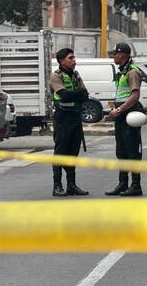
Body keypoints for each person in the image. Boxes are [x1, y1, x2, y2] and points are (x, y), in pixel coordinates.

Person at [48, 48, 90, 197]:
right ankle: (57, 186)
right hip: (62, 118)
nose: (74, 60)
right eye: (70, 58)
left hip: (75, 117)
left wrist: (76, 95)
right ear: (61, 61)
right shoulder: (55, 76)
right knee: (60, 152)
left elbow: (85, 95)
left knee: (73, 152)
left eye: (74, 57)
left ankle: (71, 185)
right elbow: (64, 95)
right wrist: (77, 94)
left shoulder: (76, 75)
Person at [105, 43, 144, 197]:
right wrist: (115, 109)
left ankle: (135, 185)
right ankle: (123, 184)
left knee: (132, 151)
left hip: (130, 115)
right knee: (121, 151)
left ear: (123, 55)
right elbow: (122, 94)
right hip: (121, 115)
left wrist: (119, 109)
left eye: (115, 53)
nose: (113, 56)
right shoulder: (122, 71)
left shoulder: (132, 72)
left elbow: (135, 96)